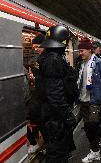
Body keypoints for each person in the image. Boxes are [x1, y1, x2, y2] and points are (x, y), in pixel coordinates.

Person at [37, 25, 77, 163]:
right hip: (55, 117)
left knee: (59, 151)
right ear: (63, 43)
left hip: (52, 114)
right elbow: (55, 94)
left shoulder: (48, 57)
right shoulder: (53, 60)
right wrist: (68, 116)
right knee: (57, 154)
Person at [77, 38, 101, 162]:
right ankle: (95, 152)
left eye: (82, 50)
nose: (80, 53)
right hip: (83, 100)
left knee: (93, 123)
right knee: (89, 129)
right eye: (79, 51)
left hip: (95, 99)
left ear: (89, 50)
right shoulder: (81, 64)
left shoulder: (99, 63)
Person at [26, 33, 46, 154]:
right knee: (36, 119)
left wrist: (35, 78)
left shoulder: (47, 59)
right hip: (41, 96)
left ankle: (48, 147)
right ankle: (43, 145)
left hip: (45, 97)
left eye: (37, 46)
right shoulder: (41, 59)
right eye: (34, 47)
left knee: (44, 123)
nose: (36, 49)